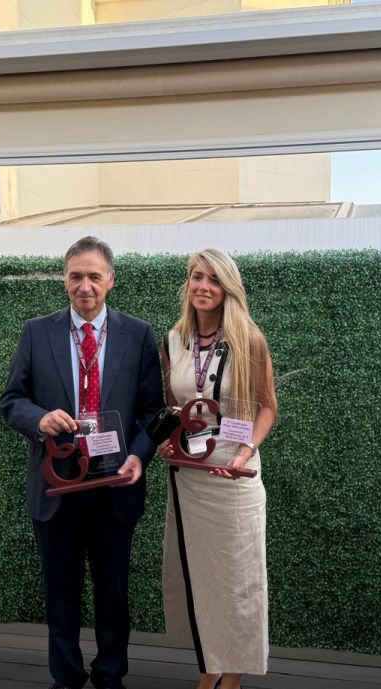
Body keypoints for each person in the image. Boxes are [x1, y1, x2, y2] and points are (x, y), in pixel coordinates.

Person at [0, 236, 163, 689]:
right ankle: (66, 679)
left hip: (115, 485)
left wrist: (138, 456)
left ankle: (111, 676)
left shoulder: (139, 334)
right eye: (76, 276)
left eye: (94, 276)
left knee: (113, 595)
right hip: (57, 487)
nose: (84, 286)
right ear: (64, 279)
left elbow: (154, 412)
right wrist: (40, 418)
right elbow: (11, 400)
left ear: (111, 280)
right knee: (60, 594)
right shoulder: (38, 331)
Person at [158, 248, 277, 689]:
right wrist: (165, 440)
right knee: (201, 579)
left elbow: (267, 408)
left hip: (234, 474)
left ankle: (233, 676)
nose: (203, 286)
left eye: (213, 279)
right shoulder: (174, 341)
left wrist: (245, 451)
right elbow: (173, 407)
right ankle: (209, 669)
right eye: (196, 277)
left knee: (238, 580)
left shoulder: (249, 340)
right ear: (187, 284)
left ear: (228, 288)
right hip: (189, 476)